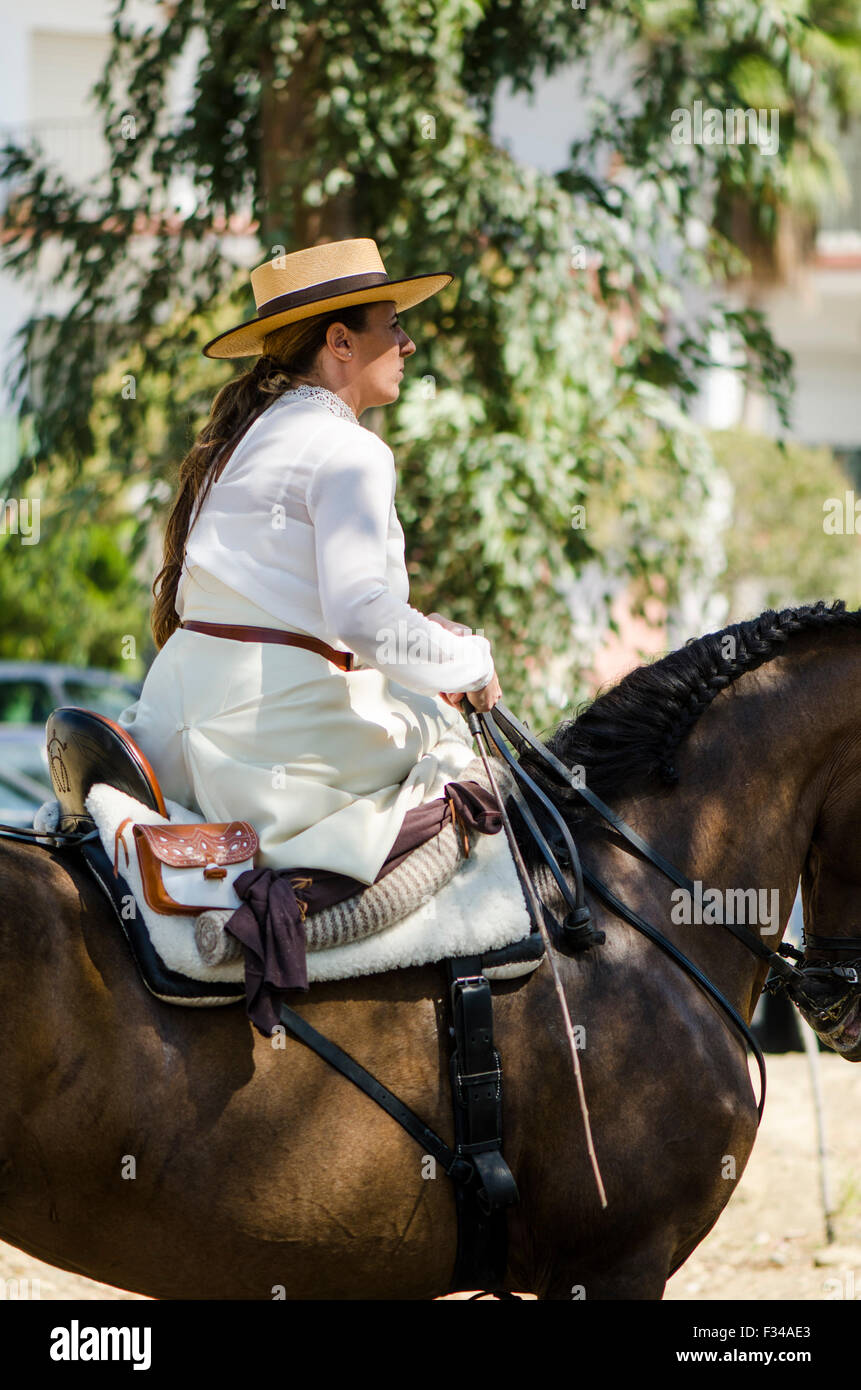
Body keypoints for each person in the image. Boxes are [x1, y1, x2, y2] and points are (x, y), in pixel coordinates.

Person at [118, 237, 502, 885]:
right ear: (340, 343)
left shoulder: (239, 440)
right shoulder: (351, 450)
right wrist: (473, 661)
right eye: (394, 327)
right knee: (454, 751)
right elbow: (359, 616)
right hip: (261, 749)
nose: (408, 345)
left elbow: (301, 607)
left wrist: (427, 636)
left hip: (168, 728)